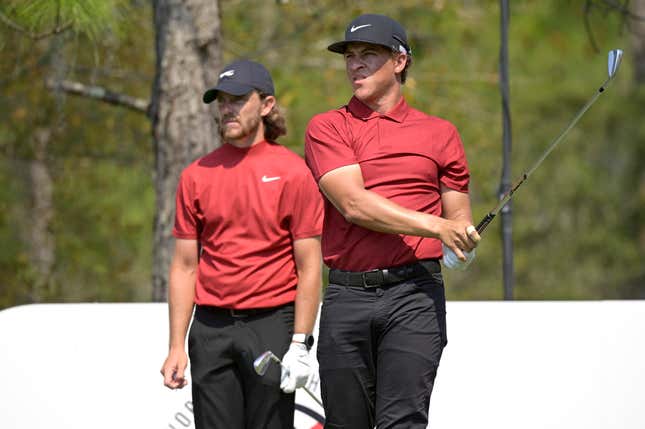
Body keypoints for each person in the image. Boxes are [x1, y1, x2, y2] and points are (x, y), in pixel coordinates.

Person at [304, 14, 481, 429]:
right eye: (350, 56)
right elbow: (353, 204)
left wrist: (463, 243)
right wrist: (438, 228)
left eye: (368, 54)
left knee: (403, 422)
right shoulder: (327, 127)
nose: (355, 65)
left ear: (399, 61)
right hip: (347, 295)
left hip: (415, 295)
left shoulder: (441, 134)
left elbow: (458, 219)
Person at [160, 59, 324, 429]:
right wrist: (176, 345)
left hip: (271, 323)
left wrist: (300, 342)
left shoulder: (293, 172)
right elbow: (185, 266)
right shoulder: (196, 175)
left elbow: (309, 266)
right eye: (222, 101)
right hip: (210, 328)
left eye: (238, 99)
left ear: (266, 105)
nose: (228, 109)